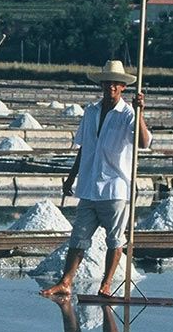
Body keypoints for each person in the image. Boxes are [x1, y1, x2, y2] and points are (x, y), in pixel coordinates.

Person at [40, 59, 151, 298]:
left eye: (116, 84)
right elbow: (84, 147)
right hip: (89, 187)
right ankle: (65, 282)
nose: (111, 87)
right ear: (101, 85)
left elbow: (143, 142)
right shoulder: (90, 112)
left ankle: (106, 284)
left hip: (115, 188)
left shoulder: (128, 114)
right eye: (107, 83)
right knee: (78, 237)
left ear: (123, 87)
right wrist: (71, 177)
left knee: (115, 240)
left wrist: (141, 112)